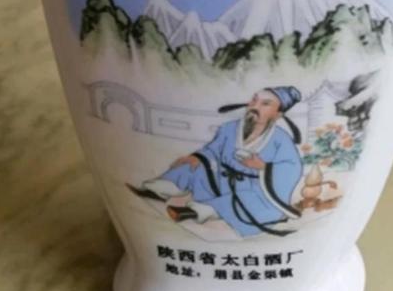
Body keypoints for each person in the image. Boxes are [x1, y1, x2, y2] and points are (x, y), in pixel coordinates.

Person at [128, 86, 304, 237]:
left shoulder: (281, 140)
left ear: (278, 114)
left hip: (254, 188)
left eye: (265, 104)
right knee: (194, 165)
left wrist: (263, 166)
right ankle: (158, 190)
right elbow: (212, 150)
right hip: (222, 180)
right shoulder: (230, 128)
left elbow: (292, 167)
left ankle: (193, 212)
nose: (255, 107)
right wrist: (197, 157)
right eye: (254, 100)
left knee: (248, 202)